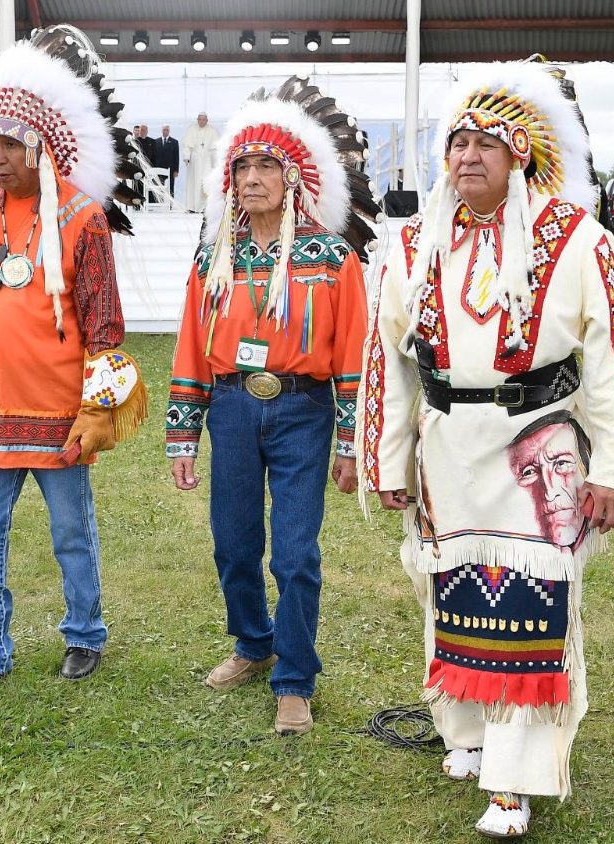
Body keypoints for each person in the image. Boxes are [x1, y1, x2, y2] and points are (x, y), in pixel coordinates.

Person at [361, 61, 614, 839]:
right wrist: (386, 461)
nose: (466, 156)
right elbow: (387, 356)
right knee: (451, 590)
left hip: (540, 448)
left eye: (485, 143)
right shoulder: (415, 241)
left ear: (520, 152)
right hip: (447, 448)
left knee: (531, 601)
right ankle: (467, 733)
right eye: (456, 142)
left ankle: (515, 783)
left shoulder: (575, 237)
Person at [0, 24, 148, 700]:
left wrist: (95, 408)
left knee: (71, 536)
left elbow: (104, 325)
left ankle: (84, 633)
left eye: (8, 143)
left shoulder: (82, 219)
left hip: (58, 412)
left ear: (38, 145)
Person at [167, 75, 377, 738]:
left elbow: (353, 355)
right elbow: (192, 350)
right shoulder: (212, 257)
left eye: (265, 165)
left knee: (294, 554)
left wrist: (351, 442)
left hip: (304, 411)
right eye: (242, 166)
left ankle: (294, 679)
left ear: (291, 177)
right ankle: (253, 644)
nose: (251, 177)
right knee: (233, 544)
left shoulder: (332, 258)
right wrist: (182, 436)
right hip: (232, 408)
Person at [181, 112, 219, 212]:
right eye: (200, 119)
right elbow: (187, 146)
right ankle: (192, 207)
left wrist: (216, 163)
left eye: (203, 119)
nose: (201, 121)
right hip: (194, 161)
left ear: (207, 120)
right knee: (193, 183)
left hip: (207, 161)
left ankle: (205, 207)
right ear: (197, 120)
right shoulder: (191, 130)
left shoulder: (212, 131)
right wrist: (186, 157)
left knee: (205, 183)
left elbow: (215, 149)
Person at [154, 125, 180, 197]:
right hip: (158, 169)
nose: (165, 131)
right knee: (159, 187)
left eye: (167, 130)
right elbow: (154, 156)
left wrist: (176, 170)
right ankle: (159, 203)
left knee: (171, 187)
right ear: (161, 131)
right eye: (164, 130)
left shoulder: (174, 142)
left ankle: (170, 204)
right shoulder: (156, 141)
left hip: (171, 169)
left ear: (169, 131)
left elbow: (176, 157)